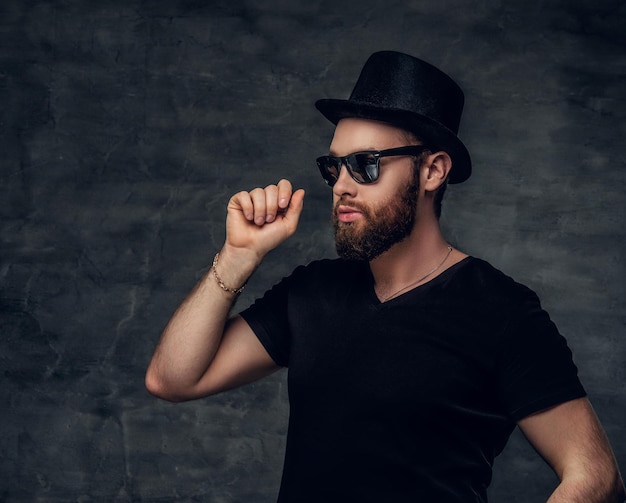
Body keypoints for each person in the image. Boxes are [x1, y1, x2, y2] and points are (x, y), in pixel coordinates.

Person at [146, 51, 624, 502]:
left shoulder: (502, 312)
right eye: (334, 167)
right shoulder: (313, 291)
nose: (343, 186)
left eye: (366, 164)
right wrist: (237, 256)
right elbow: (172, 379)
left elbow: (595, 476)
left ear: (433, 170)